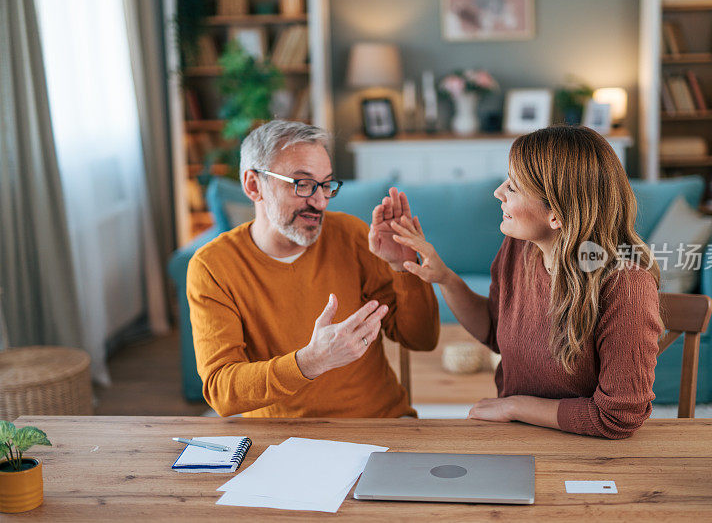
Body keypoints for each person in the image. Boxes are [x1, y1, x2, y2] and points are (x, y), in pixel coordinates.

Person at [390, 126, 661, 439]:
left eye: (514, 188)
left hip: (589, 448)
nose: (498, 192)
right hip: (518, 436)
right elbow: (495, 329)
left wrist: (515, 407)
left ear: (556, 215)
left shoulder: (626, 287)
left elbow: (617, 417)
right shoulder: (520, 248)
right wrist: (445, 278)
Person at [186, 120, 439, 418]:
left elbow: (421, 339)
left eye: (326, 184)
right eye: (302, 184)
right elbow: (221, 390)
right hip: (283, 443)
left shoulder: (353, 236)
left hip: (381, 426)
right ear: (254, 185)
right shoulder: (213, 267)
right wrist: (310, 361)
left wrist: (404, 268)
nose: (319, 201)